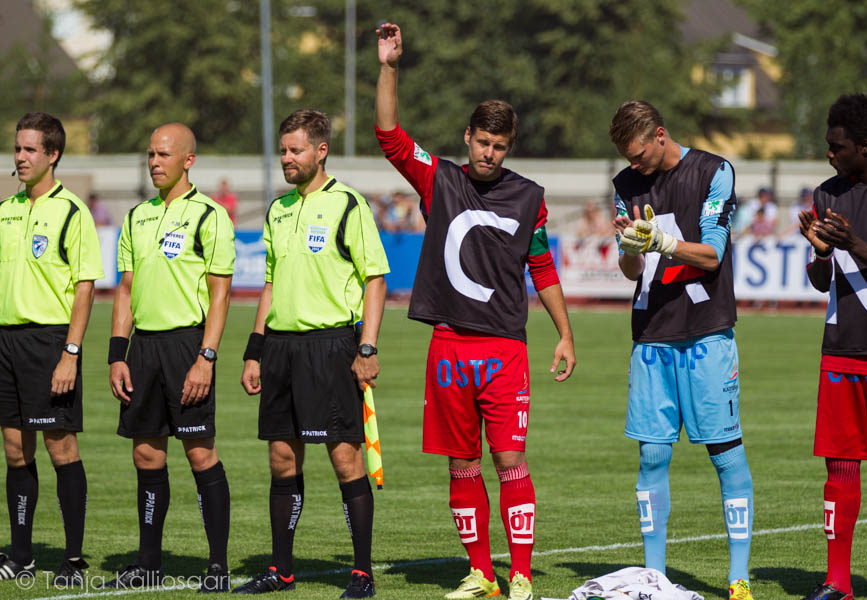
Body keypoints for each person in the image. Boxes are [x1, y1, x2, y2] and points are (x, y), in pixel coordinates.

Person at [375, 23, 576, 600]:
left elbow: (541, 268)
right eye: (482, 143)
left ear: (509, 147)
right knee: (462, 466)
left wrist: (564, 334)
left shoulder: (529, 196)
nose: (489, 154)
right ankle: (481, 573)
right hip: (448, 348)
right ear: (467, 137)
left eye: (500, 146)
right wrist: (389, 66)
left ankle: (519, 575)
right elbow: (389, 134)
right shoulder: (439, 179)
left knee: (510, 460)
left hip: (504, 349)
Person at [235, 109, 389, 597]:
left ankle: (361, 573)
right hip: (280, 349)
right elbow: (270, 282)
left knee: (345, 460)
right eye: (283, 150)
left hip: (332, 346)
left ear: (321, 151)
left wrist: (367, 346)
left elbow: (375, 279)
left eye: (295, 150)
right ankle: (281, 571)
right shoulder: (278, 209)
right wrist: (254, 351)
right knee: (281, 459)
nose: (287, 158)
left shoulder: (348, 204)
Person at [609, 100, 753, 600]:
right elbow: (631, 272)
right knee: (651, 457)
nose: (634, 166)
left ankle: (739, 581)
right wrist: (630, 248)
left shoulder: (714, 171)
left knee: (726, 456)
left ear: (660, 135)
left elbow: (712, 255)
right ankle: (654, 578)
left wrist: (664, 243)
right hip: (650, 336)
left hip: (706, 333)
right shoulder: (625, 184)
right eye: (626, 157)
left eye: (638, 154)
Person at [106, 122, 235, 592]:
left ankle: (217, 566)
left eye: (163, 154)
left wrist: (207, 357)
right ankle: (149, 563)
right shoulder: (136, 216)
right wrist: (117, 354)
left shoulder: (210, 215)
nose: (155, 162)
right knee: (145, 454)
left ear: (188, 160)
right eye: (150, 155)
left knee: (200, 454)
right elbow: (125, 290)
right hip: (142, 348)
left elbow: (220, 296)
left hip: (187, 345)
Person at [797, 94, 867, 600]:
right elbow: (821, 280)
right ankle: (838, 582)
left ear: (865, 145)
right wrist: (819, 254)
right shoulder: (826, 194)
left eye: (837, 147)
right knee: (839, 465)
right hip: (840, 350)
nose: (829, 155)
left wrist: (854, 244)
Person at [0, 112, 103, 587]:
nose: (19, 157)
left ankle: (74, 558)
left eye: (29, 149)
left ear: (53, 154)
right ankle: (20, 556)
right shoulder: (6, 210)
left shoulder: (72, 211)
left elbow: (85, 289)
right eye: (16, 148)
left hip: (50, 342)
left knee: (60, 447)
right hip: (5, 341)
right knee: (15, 450)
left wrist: (71, 352)